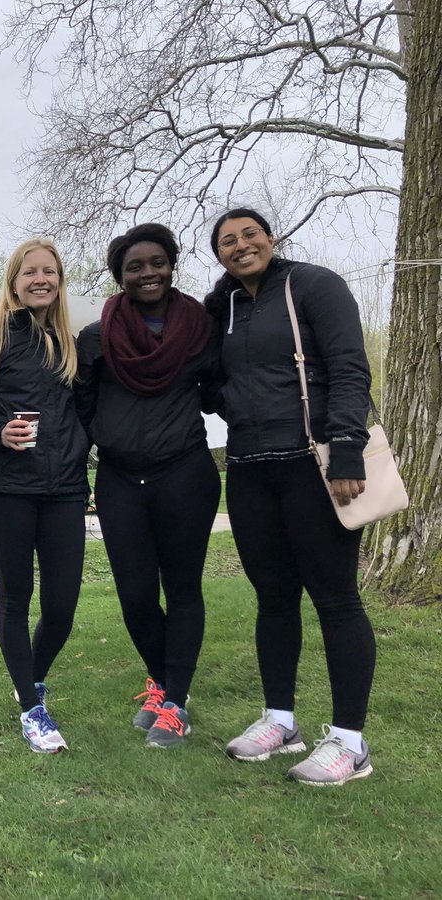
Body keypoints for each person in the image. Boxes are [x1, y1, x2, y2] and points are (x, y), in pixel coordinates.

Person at [205, 208, 375, 785]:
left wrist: (348, 449)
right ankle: (281, 721)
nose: (240, 245)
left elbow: (350, 366)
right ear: (219, 255)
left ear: (271, 239)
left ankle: (350, 744)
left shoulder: (314, 285)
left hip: (316, 464)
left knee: (335, 599)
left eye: (250, 234)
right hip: (250, 468)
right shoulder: (219, 306)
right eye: (227, 241)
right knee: (274, 598)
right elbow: (209, 375)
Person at [74, 224, 219, 749]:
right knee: (135, 594)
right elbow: (81, 406)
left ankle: (174, 702)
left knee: (182, 589)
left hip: (184, 474)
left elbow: (219, 391)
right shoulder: (97, 336)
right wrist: (105, 443)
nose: (147, 273)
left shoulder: (200, 328)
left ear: (172, 264)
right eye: (134, 266)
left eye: (157, 262)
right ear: (120, 276)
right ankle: (165, 683)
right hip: (119, 479)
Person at [0, 238, 90, 753]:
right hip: (8, 489)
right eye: (30, 271)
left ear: (60, 281)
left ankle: (29, 678)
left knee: (63, 606)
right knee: (16, 598)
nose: (40, 279)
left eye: (49, 272)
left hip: (67, 491)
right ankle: (32, 708)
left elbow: (89, 418)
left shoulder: (74, 346)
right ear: (13, 280)